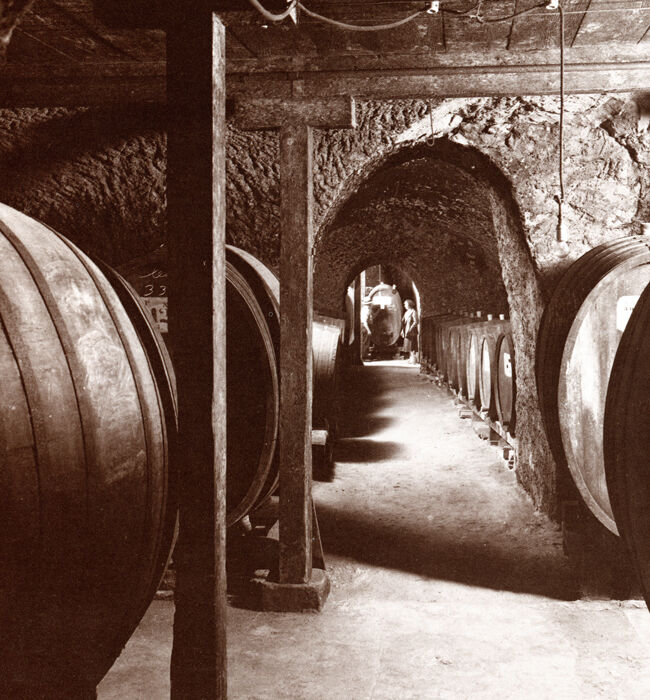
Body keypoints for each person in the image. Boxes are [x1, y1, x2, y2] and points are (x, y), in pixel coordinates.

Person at [401, 299, 418, 364]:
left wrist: (410, 329)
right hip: (406, 330)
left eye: (405, 304)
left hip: (412, 331)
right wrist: (403, 330)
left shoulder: (413, 312)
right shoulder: (406, 312)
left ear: (409, 305)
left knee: (412, 345)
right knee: (408, 345)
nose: (404, 306)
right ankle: (411, 358)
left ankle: (413, 359)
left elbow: (416, 322)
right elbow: (403, 322)